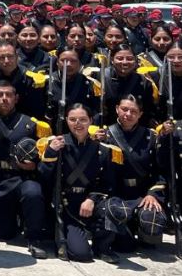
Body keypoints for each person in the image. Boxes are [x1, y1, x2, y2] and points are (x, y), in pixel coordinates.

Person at [38, 103, 119, 263]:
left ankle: (102, 247)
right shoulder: (57, 145)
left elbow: (106, 183)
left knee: (114, 209)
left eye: (83, 119)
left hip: (89, 204)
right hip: (66, 207)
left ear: (90, 121)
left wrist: (91, 199)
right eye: (72, 119)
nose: (78, 123)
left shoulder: (102, 149)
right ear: (66, 120)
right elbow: (44, 177)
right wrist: (51, 152)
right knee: (81, 255)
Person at [0, 80, 51, 258]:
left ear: (16, 98)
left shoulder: (30, 124)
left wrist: (35, 164)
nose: (4, 98)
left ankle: (35, 238)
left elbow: (44, 154)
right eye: (0, 95)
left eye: (9, 95)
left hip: (24, 177)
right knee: (5, 234)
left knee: (33, 193)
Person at [103, 95, 167, 251]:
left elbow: (160, 171)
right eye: (124, 109)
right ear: (117, 109)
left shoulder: (151, 137)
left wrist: (152, 194)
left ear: (140, 114)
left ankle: (143, 231)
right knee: (124, 247)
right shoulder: (105, 135)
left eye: (134, 111)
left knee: (152, 220)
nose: (128, 114)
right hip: (117, 194)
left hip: (142, 194)